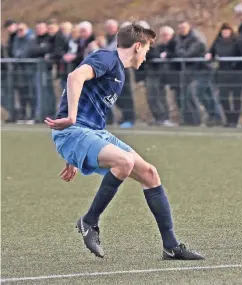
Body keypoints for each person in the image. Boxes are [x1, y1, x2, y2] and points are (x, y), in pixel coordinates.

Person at [44, 22, 204, 260]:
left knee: (150, 173)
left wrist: (73, 155)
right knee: (125, 162)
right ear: (138, 46)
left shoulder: (117, 70)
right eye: (147, 50)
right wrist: (72, 117)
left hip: (92, 132)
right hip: (75, 130)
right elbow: (74, 77)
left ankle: (171, 246)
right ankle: (89, 221)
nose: (147, 56)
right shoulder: (107, 58)